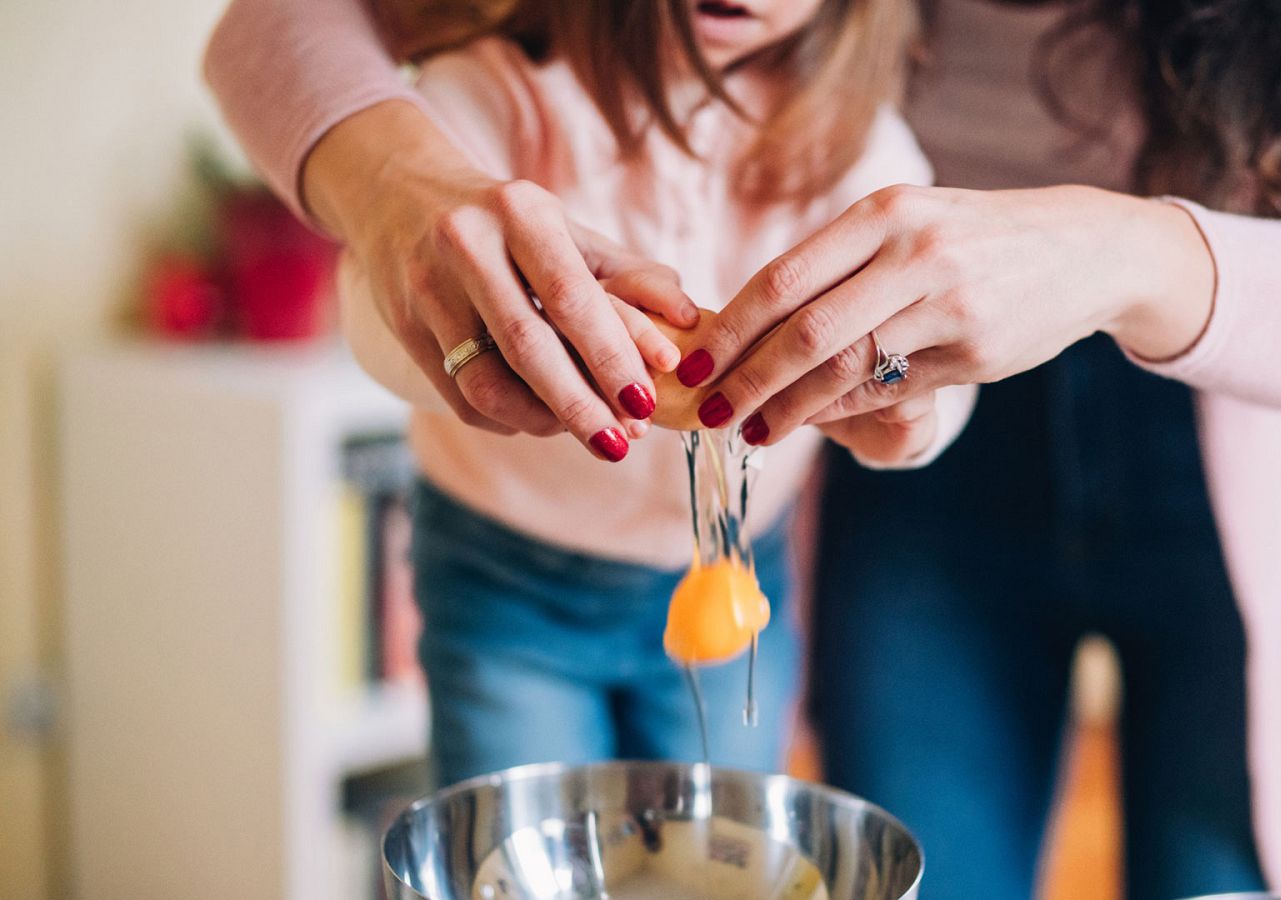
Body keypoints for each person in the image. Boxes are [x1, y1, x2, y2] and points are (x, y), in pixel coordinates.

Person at [204, 1, 1281, 897]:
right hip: (868, 503)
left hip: (1234, 468)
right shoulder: (529, 64)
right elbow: (274, 34)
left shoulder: (851, 132)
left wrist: (1108, 259)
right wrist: (401, 207)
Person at [267, 0, 974, 786]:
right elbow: (373, 299)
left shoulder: (860, 144)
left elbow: (942, 342)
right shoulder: (495, 92)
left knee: (716, 850)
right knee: (527, 853)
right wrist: (493, 349)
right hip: (506, 588)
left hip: (736, 581)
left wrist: (912, 415)